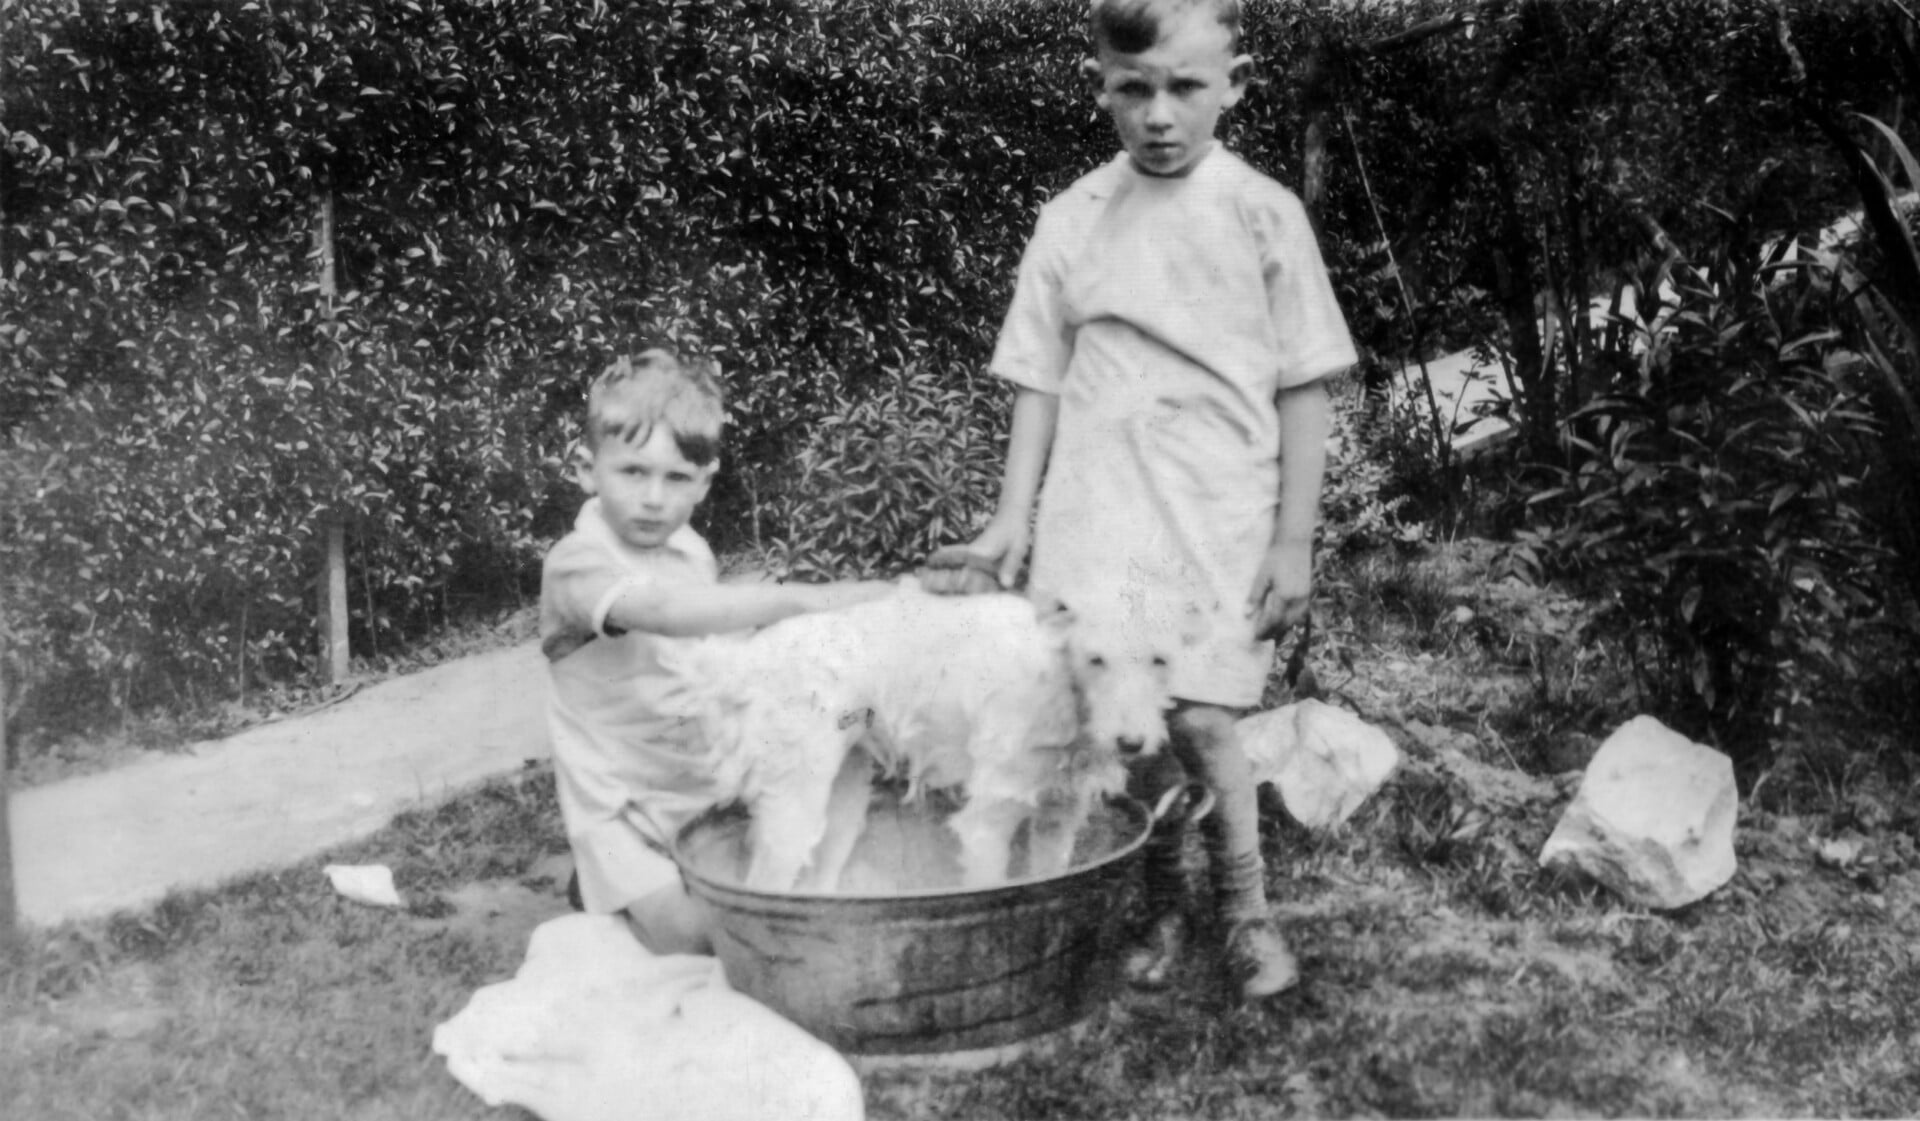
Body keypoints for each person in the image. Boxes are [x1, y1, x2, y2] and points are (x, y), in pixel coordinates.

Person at [923, 0, 1358, 999]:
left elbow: (1306, 385)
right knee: (1134, 720)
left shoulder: (1263, 213)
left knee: (1204, 715)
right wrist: (1008, 520)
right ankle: (1164, 902)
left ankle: (1244, 913)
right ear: (1104, 90)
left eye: (1185, 87)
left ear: (1233, 84)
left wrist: (1294, 539)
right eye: (1134, 90)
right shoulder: (1075, 216)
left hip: (1218, 513)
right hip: (1099, 512)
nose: (1159, 114)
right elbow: (1037, 376)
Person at [541, 349, 893, 954]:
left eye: (676, 478)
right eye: (632, 472)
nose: (654, 498)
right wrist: (802, 601)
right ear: (585, 468)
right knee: (701, 945)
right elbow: (665, 614)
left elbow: (721, 651)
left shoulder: (690, 553)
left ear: (704, 482)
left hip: (695, 781)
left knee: (801, 894)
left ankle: (657, 882)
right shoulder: (577, 562)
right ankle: (608, 879)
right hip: (617, 802)